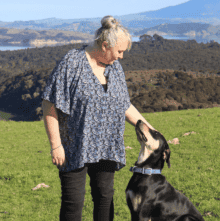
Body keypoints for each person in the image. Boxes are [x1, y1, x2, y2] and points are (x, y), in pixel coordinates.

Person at [42, 15, 156, 221]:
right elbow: (50, 103)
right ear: (105, 46)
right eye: (119, 51)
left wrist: (150, 130)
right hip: (74, 147)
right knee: (72, 203)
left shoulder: (115, 68)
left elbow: (124, 105)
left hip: (106, 147)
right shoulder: (72, 63)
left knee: (105, 199)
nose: (121, 56)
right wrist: (56, 145)